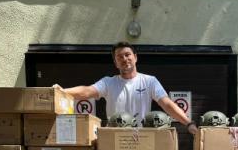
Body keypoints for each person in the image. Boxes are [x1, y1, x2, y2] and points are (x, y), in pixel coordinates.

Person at [57, 42, 198, 134]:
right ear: (115, 63)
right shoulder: (108, 83)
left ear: (135, 57)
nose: (124, 59)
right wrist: (62, 92)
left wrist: (188, 123)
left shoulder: (149, 81)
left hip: (141, 139)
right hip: (114, 139)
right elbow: (87, 91)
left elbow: (167, 104)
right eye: (120, 57)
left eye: (127, 55)